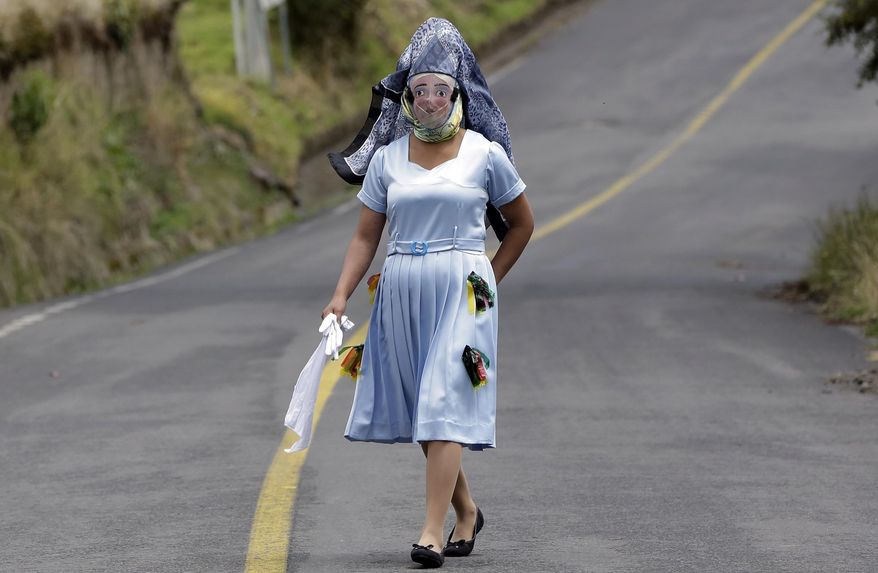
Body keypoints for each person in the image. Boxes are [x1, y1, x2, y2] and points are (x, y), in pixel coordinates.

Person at [322, 17, 533, 569]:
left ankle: (431, 532)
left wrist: (489, 278)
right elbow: (366, 235)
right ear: (407, 95)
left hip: (463, 292)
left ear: (458, 91)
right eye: (420, 90)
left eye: (441, 90)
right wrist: (340, 296)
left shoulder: (485, 154)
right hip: (399, 292)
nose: (431, 100)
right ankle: (467, 510)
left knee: (443, 400)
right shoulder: (389, 160)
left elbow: (521, 225)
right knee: (425, 407)